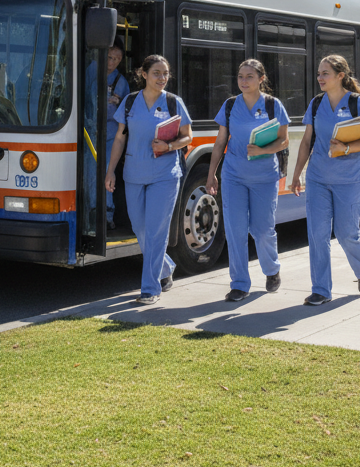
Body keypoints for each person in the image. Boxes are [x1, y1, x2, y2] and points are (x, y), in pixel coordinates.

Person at [289, 55, 360, 306]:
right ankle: (321, 289)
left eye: (325, 73)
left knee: (346, 232)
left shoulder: (357, 103)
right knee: (317, 234)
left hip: (348, 179)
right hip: (318, 177)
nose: (320, 78)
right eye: (319, 73)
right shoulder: (316, 104)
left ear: (340, 76)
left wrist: (347, 149)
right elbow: (307, 141)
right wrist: (296, 174)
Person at [105, 55, 192, 305]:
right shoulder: (131, 102)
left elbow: (187, 137)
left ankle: (150, 287)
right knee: (140, 228)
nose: (162, 78)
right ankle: (165, 268)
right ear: (144, 74)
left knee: (156, 231)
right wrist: (110, 171)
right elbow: (120, 138)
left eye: (165, 73)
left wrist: (169, 145)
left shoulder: (174, 102)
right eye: (156, 73)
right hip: (134, 172)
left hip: (165, 175)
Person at [206, 59, 290, 302]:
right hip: (233, 175)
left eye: (249, 76)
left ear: (261, 79)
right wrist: (212, 173)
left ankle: (272, 270)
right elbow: (220, 142)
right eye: (240, 76)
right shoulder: (230, 105)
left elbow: (284, 141)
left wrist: (263, 151)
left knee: (263, 230)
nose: (244, 81)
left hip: (265, 176)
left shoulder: (274, 105)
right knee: (235, 230)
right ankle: (239, 283)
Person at [84, 44, 129, 228]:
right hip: (90, 129)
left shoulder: (121, 81)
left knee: (107, 172)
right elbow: (83, 95)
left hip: (111, 132)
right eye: (109, 57)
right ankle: (89, 212)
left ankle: (106, 215)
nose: (111, 63)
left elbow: (127, 112)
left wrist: (117, 103)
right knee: (89, 173)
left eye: (116, 59)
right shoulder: (91, 69)